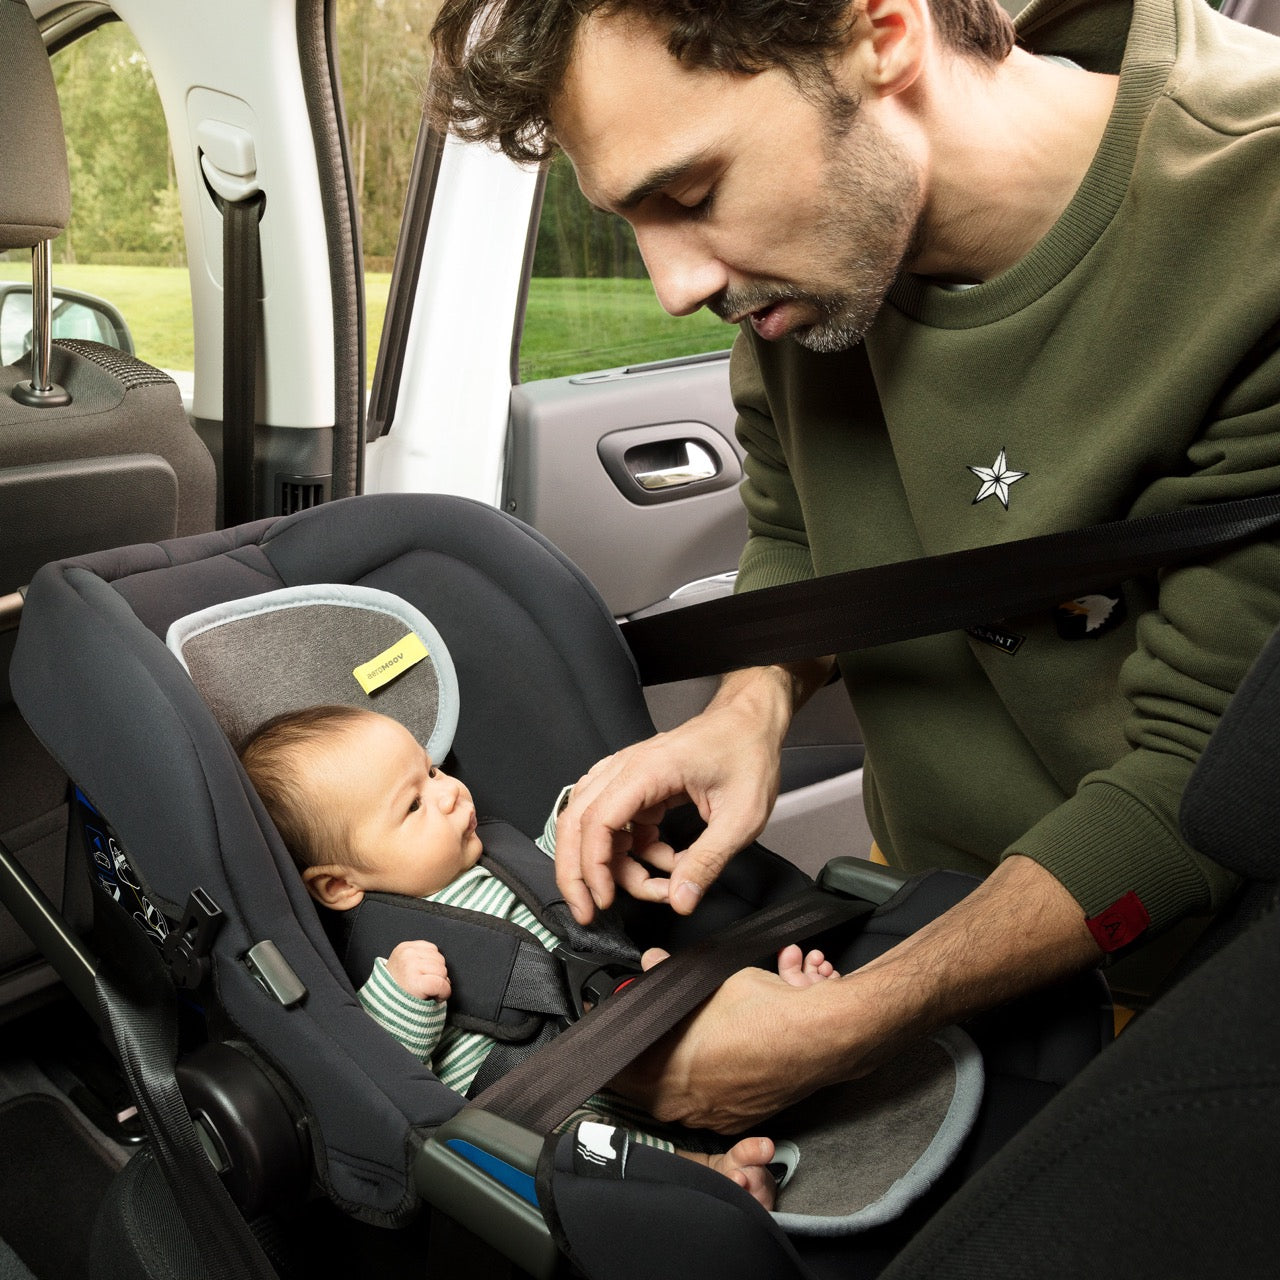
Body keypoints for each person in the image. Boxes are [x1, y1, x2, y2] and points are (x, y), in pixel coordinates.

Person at [425, 0, 1280, 1134]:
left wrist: (852, 1023)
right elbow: (798, 526)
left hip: (1191, 979)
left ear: (880, 34)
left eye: (692, 194)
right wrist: (751, 708)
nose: (674, 285)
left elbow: (1205, 779)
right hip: (919, 907)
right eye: (631, 218)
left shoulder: (1253, 225)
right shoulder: (821, 264)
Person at [238, 703, 840, 1208]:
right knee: (583, 1144)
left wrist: (584, 815)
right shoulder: (386, 959)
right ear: (339, 885)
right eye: (413, 806)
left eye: (433, 770)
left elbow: (560, 866)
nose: (448, 794)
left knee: (683, 982)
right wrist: (404, 997)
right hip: (547, 1090)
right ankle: (702, 1170)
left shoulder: (496, 849)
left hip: (629, 1018)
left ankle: (785, 1022)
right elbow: (383, 1078)